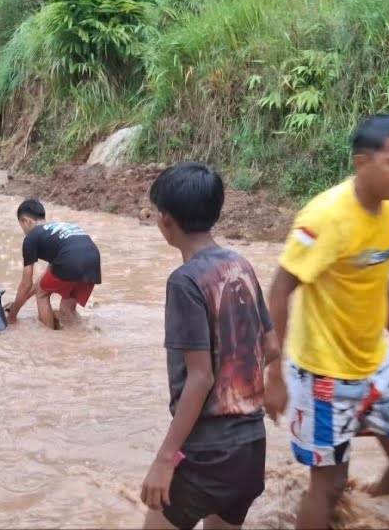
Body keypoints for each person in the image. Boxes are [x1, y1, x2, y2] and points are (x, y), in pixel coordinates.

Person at [264, 113, 389, 530]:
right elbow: (281, 288)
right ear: (362, 162)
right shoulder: (324, 218)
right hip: (323, 372)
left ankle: (369, 518)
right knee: (329, 484)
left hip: (375, 362)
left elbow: (377, 275)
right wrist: (274, 375)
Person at [140, 162, 279, 530]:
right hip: (250, 447)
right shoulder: (240, 265)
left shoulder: (185, 283)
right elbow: (272, 347)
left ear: (166, 221)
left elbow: (199, 378)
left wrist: (165, 459)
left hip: (208, 453)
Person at [5, 199, 102, 329]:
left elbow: (26, 284)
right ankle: (86, 333)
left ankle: (49, 337)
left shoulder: (31, 238)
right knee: (66, 310)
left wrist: (12, 316)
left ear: (26, 221)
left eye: (22, 226)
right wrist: (18, 302)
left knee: (42, 294)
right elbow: (48, 276)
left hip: (70, 261)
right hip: (93, 263)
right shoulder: (56, 231)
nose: (24, 231)